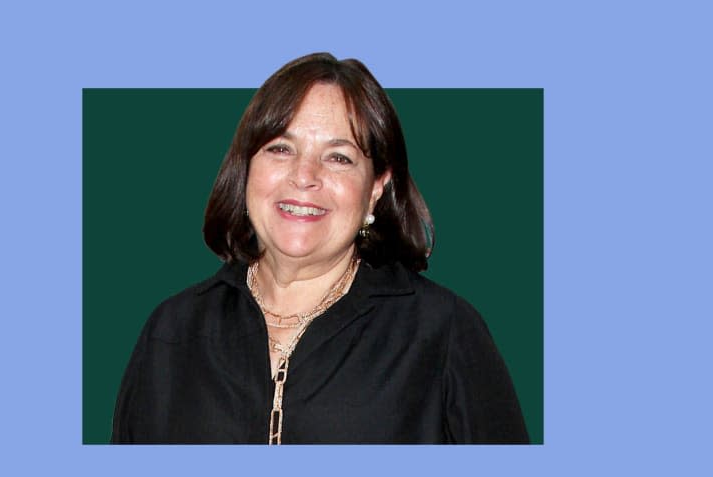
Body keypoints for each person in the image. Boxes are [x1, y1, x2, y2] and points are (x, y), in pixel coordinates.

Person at [111, 52, 529, 444]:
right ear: (247, 168)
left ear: (376, 188)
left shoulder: (442, 332)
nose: (304, 176)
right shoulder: (172, 332)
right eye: (280, 149)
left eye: (339, 158)